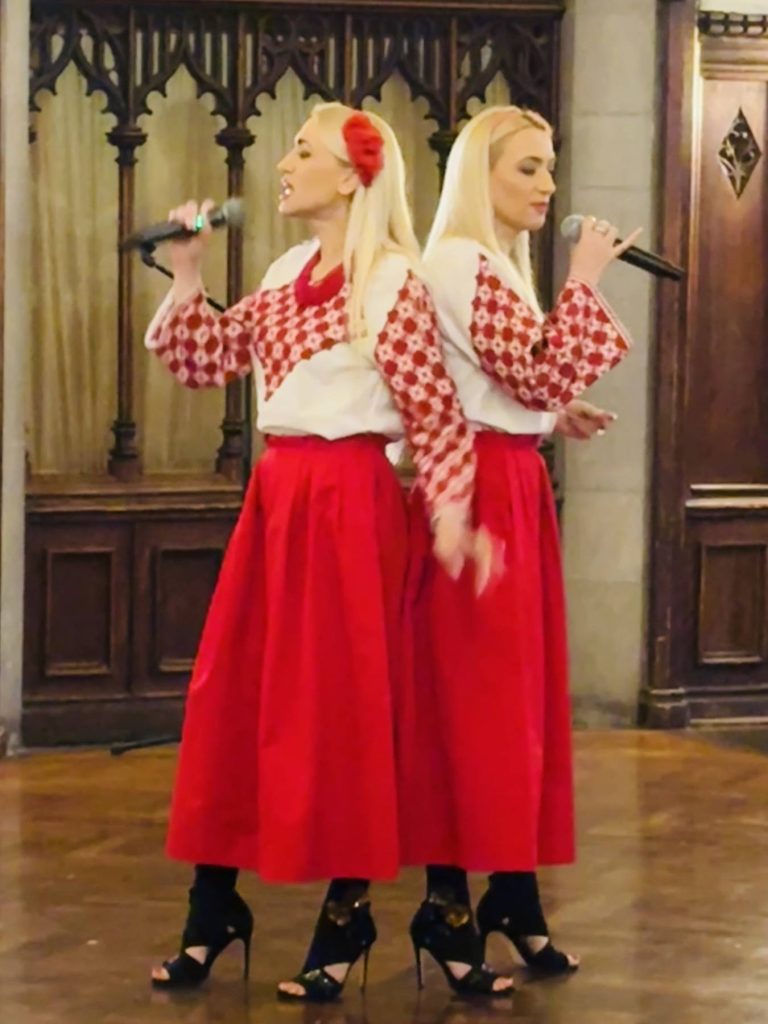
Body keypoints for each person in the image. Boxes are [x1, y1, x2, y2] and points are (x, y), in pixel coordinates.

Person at [142, 101, 501, 1001]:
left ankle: (346, 915)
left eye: (302, 151)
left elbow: (434, 413)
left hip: (349, 507)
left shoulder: (390, 282)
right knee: (235, 697)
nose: (284, 164)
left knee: (345, 712)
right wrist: (187, 271)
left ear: (350, 176)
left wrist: (451, 515)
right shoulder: (285, 272)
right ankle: (211, 908)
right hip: (278, 501)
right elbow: (205, 360)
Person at [400, 105, 639, 982]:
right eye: (527, 168)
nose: (547, 185)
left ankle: (513, 893)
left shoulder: (496, 262)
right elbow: (532, 367)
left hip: (514, 482)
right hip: (475, 491)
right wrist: (585, 280)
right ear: (480, 175)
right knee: (473, 702)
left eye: (550, 167)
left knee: (517, 704)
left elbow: (515, 381)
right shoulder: (459, 260)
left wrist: (550, 416)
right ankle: (447, 902)